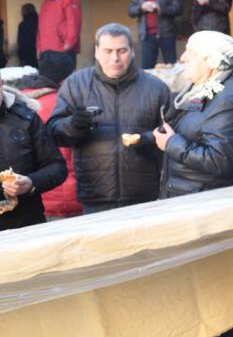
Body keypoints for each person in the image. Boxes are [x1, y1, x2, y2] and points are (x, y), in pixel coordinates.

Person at [152, 30, 233, 337]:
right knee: (207, 280)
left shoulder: (228, 99)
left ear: (210, 63)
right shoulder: (207, 92)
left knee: (225, 280)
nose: (182, 58)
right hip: (197, 200)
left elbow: (219, 161)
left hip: (215, 204)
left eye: (190, 53)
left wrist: (173, 144)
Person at [47, 24, 171, 214]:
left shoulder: (156, 88)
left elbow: (172, 133)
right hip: (95, 194)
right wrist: (73, 126)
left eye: (122, 50)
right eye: (108, 51)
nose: (115, 58)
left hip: (144, 194)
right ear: (97, 51)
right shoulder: (75, 84)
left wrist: (148, 139)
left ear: (132, 51)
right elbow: (54, 133)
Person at [15, 52, 81, 218]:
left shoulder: (16, 106)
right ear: (66, 78)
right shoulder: (64, 104)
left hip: (35, 196)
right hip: (69, 195)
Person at [0, 75, 66, 231]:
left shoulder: (26, 117)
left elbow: (56, 167)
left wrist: (30, 182)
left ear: (1, 83)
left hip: (27, 224)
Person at [128, 0, 182, 69]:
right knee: (147, 68)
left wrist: (160, 8)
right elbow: (130, 11)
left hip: (166, 33)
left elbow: (178, 8)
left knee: (171, 66)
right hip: (147, 35)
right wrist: (141, 7)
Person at [37, 0, 81, 74]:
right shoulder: (46, 2)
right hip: (46, 50)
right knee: (48, 81)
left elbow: (74, 22)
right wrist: (39, 47)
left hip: (62, 49)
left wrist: (69, 44)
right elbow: (41, 27)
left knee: (66, 80)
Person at [17, 4, 38, 68]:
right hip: (42, 53)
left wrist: (21, 58)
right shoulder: (41, 21)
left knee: (29, 74)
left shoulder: (23, 25)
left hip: (27, 55)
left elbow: (21, 42)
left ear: (24, 12)